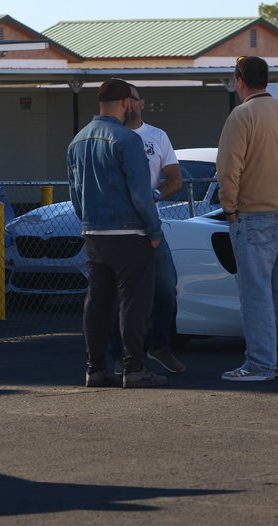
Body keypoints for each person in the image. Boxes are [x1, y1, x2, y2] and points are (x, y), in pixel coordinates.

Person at [217, 56, 278, 382]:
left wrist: (230, 208)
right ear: (266, 80)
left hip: (253, 214)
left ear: (239, 80)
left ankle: (259, 364)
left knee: (255, 292)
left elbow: (229, 170)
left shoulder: (241, 116)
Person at [68, 77, 168, 388]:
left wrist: (89, 223)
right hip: (130, 234)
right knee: (134, 303)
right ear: (125, 103)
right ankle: (134, 369)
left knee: (97, 302)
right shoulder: (127, 139)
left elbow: (76, 194)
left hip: (94, 233)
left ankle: (96, 368)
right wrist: (153, 230)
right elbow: (141, 193)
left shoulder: (77, 141)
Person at [108, 83, 186, 376]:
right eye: (125, 101)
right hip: (118, 229)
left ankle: (160, 345)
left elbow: (175, 178)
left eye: (134, 100)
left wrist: (155, 194)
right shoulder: (110, 136)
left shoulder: (157, 136)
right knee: (121, 295)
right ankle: (121, 355)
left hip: (151, 227)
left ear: (142, 104)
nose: (130, 105)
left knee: (165, 287)